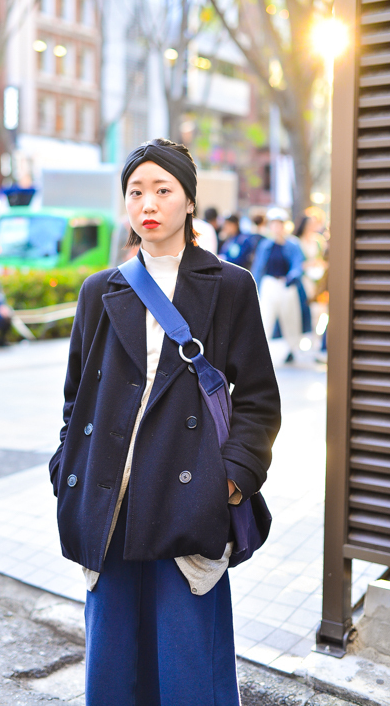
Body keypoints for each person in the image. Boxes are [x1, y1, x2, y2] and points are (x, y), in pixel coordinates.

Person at [49, 137, 281, 706]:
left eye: (162, 189)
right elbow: (76, 399)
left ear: (189, 202)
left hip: (187, 499)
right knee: (113, 663)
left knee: (186, 666)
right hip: (111, 500)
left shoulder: (229, 286)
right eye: (135, 191)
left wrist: (228, 480)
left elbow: (258, 401)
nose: (147, 202)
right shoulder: (99, 290)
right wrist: (65, 469)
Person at [251, 206, 306, 364]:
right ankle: (260, 351)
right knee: (266, 317)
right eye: (274, 224)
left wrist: (291, 277)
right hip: (269, 284)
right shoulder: (265, 245)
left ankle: (292, 349)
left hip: (286, 285)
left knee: (291, 318)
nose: (276, 227)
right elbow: (258, 267)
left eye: (279, 224)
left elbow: (297, 264)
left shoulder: (292, 245)